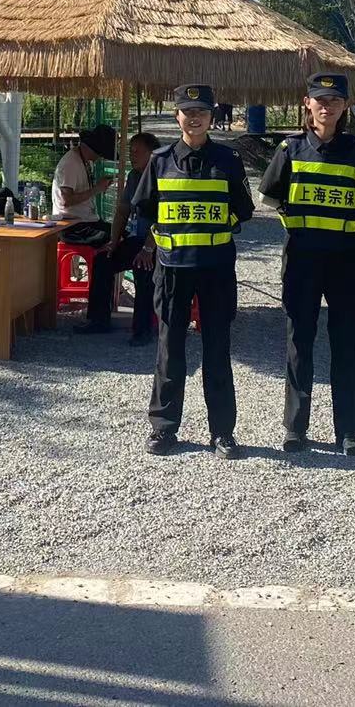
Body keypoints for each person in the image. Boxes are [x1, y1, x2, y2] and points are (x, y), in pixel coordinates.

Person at [258, 73, 355, 455]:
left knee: (347, 344)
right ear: (307, 103)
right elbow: (268, 197)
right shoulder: (291, 150)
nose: (327, 106)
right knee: (299, 341)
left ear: (345, 106)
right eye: (320, 100)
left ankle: (349, 432)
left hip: (346, 261)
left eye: (335, 100)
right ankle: (295, 428)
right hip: (303, 257)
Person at [132, 84, 254, 458]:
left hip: (216, 268)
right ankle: (163, 429)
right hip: (173, 268)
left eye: (202, 111)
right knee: (170, 349)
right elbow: (146, 208)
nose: (195, 117)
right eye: (188, 111)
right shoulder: (160, 161)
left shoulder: (228, 160)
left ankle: (222, 432)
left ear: (212, 116)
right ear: (177, 116)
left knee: (217, 349)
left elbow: (244, 209)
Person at [53, 123, 118, 334]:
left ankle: (108, 300)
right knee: (108, 247)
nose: (99, 158)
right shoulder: (71, 164)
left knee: (119, 234)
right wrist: (96, 189)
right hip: (72, 224)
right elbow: (67, 200)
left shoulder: (83, 160)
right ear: (92, 148)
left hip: (85, 220)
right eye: (100, 154)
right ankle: (98, 312)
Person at [108, 131, 159, 346]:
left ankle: (143, 330)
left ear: (152, 154)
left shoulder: (162, 177)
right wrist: (113, 241)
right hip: (136, 238)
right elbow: (122, 210)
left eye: (138, 152)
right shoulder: (134, 176)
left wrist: (148, 248)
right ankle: (99, 319)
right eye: (131, 151)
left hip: (158, 243)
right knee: (104, 260)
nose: (132, 155)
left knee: (142, 268)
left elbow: (163, 219)